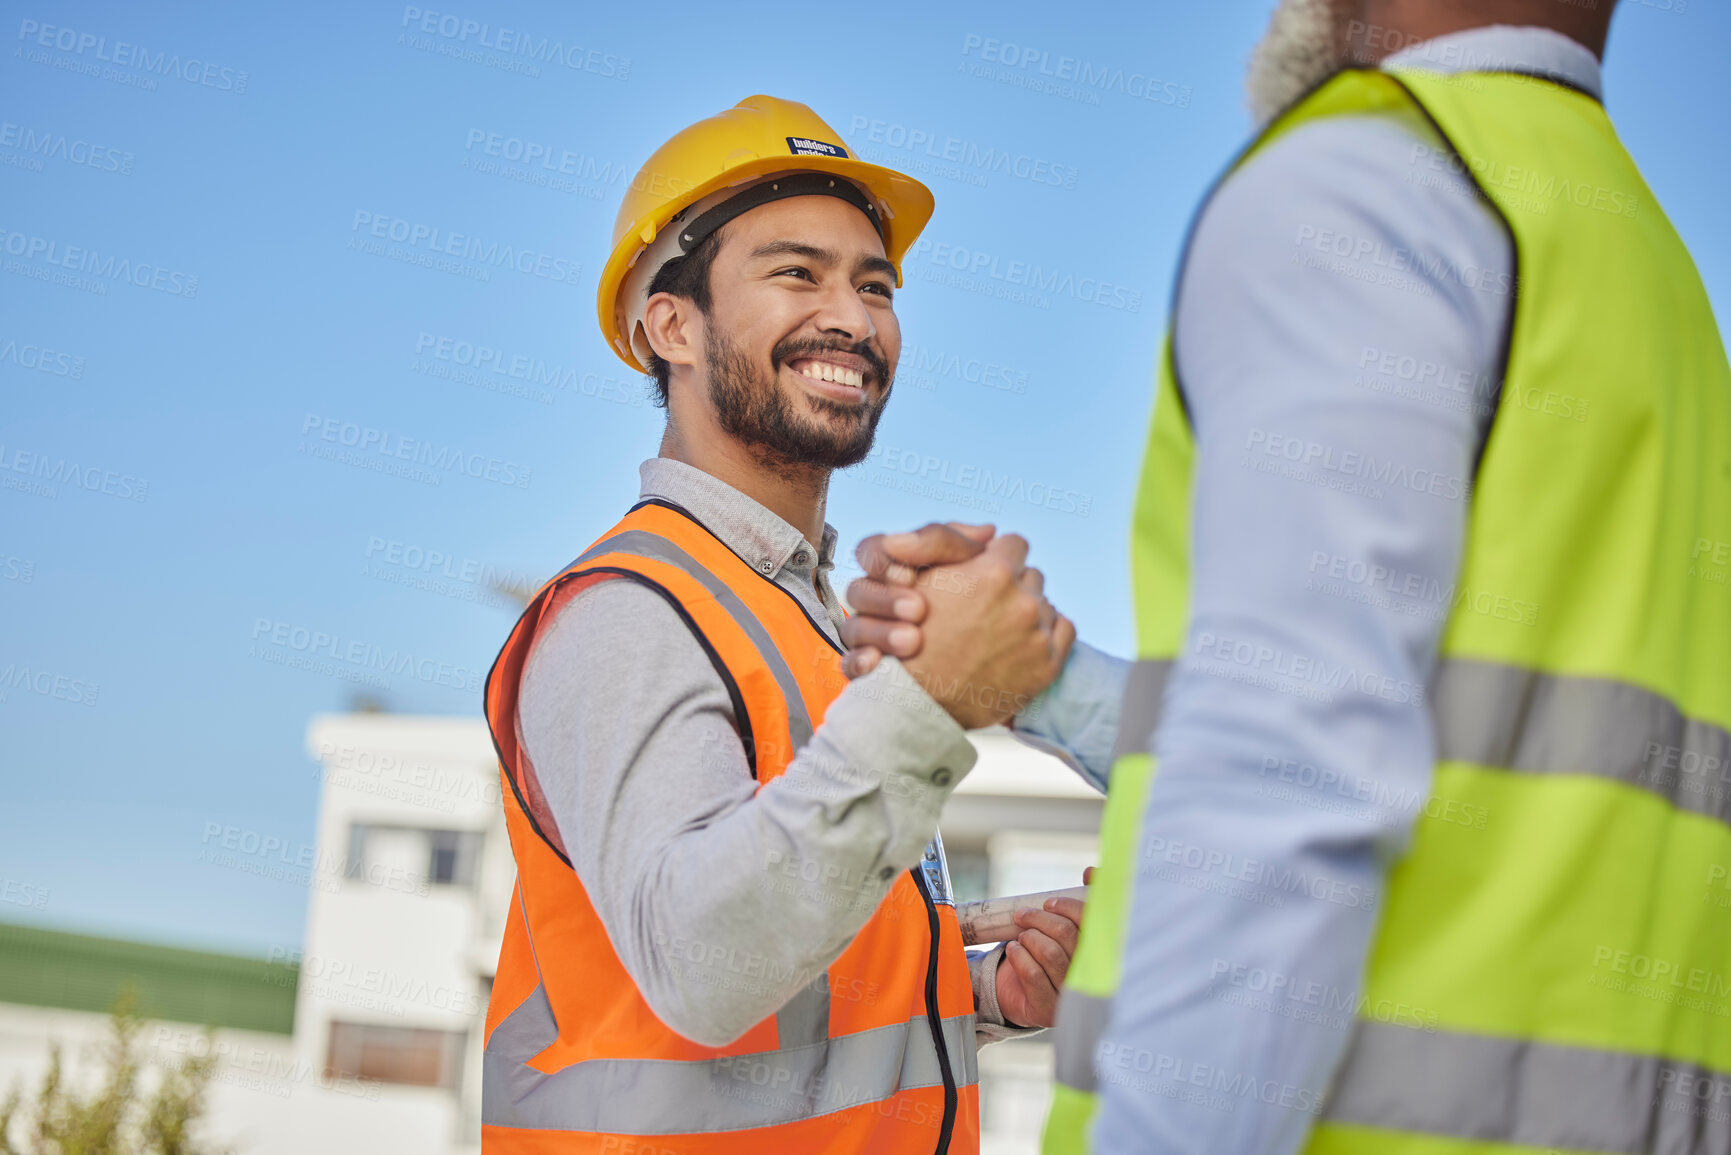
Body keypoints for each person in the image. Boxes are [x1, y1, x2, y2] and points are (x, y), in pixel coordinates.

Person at [841, 1, 1731, 1152]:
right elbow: (1469, 739)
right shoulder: (1652, 277)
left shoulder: (1363, 184)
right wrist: (1047, 681)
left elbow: (1292, 776)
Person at [478, 95, 1084, 1155]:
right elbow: (703, 963)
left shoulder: (803, 620)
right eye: (796, 273)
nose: (852, 315)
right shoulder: (631, 610)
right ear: (671, 325)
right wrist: (930, 703)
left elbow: (789, 982)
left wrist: (990, 989)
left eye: (876, 284)